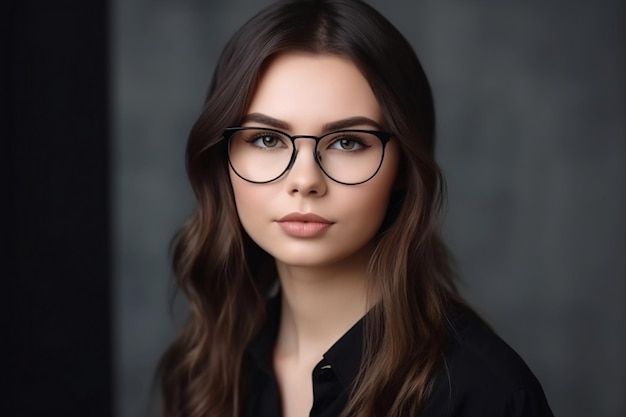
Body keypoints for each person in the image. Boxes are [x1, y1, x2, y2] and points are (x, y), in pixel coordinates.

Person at [157, 1, 554, 416]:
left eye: (347, 142)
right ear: (223, 158)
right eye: (267, 139)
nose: (305, 180)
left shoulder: (486, 395)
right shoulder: (204, 372)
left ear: (403, 167)